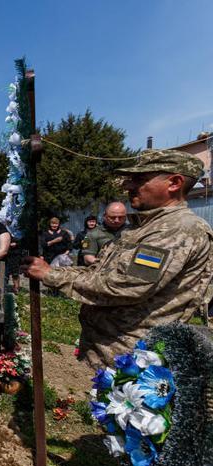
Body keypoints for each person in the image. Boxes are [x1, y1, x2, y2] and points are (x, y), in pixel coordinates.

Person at [22, 149, 213, 368]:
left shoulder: (177, 229)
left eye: (139, 179)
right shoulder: (141, 228)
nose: (127, 186)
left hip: (131, 365)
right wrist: (48, 270)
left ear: (174, 183)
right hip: (107, 353)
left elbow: (126, 286)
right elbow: (98, 272)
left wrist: (52, 276)